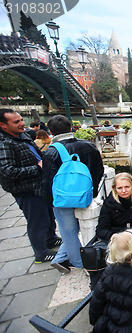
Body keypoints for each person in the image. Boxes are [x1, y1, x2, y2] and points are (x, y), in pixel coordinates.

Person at [42, 115, 104, 273]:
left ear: (50, 131)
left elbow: (48, 181)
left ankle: (79, 263)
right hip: (87, 195)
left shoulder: (51, 153)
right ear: (71, 128)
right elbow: (99, 170)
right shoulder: (89, 145)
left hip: (64, 200)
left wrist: (49, 202)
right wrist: (94, 190)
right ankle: (66, 258)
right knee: (89, 228)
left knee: (68, 232)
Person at [0, 109, 60, 264]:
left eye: (21, 120)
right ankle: (41, 253)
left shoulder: (22, 135)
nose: (22, 124)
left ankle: (50, 239)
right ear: (3, 125)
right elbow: (7, 171)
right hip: (26, 189)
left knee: (47, 215)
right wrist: (38, 168)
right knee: (36, 220)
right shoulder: (4, 144)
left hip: (41, 184)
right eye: (16, 122)